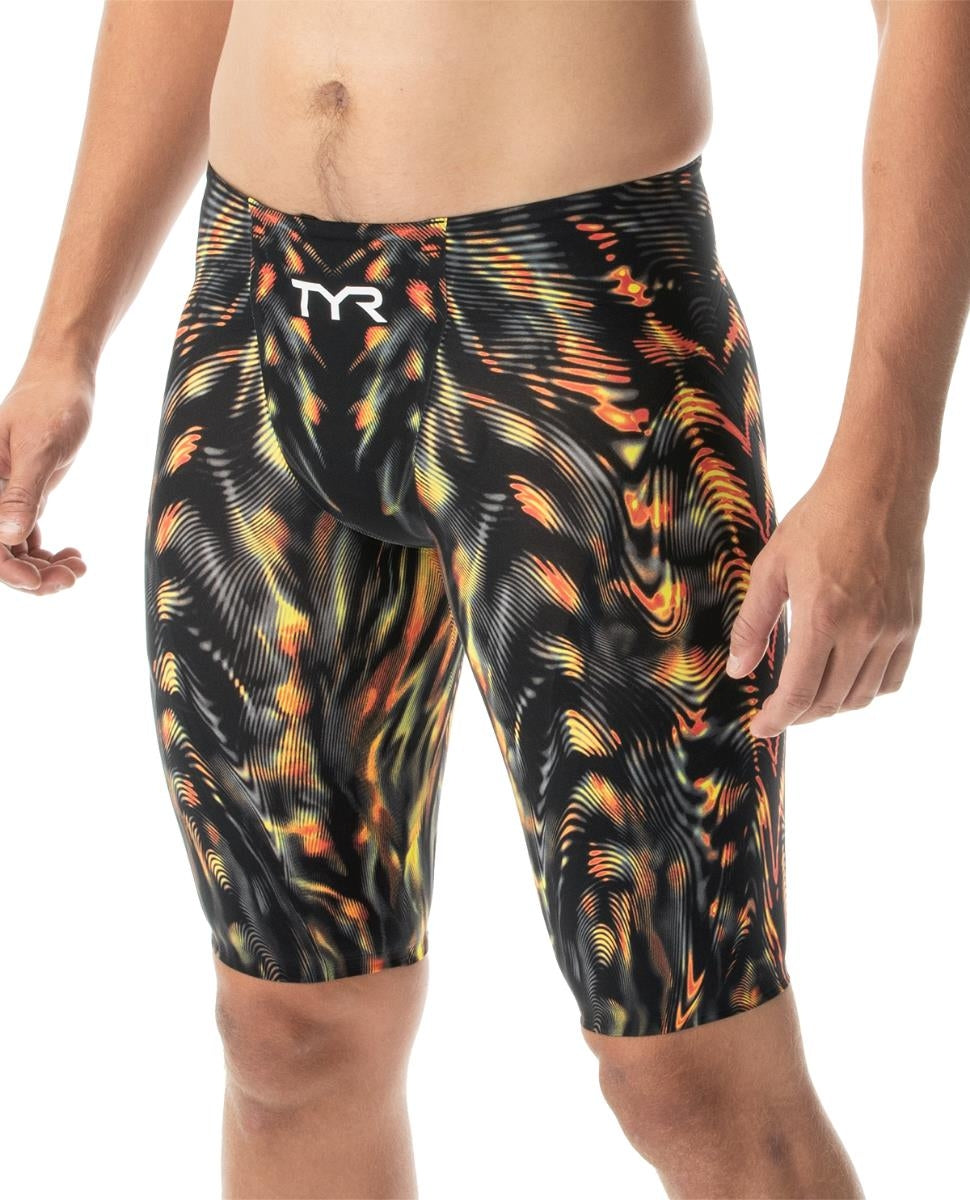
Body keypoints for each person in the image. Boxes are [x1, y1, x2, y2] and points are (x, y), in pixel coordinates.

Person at [1, 1, 966, 1197]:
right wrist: (65, 341)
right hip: (257, 315)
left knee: (687, 1067)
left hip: (574, 329)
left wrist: (888, 469)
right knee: (285, 1034)